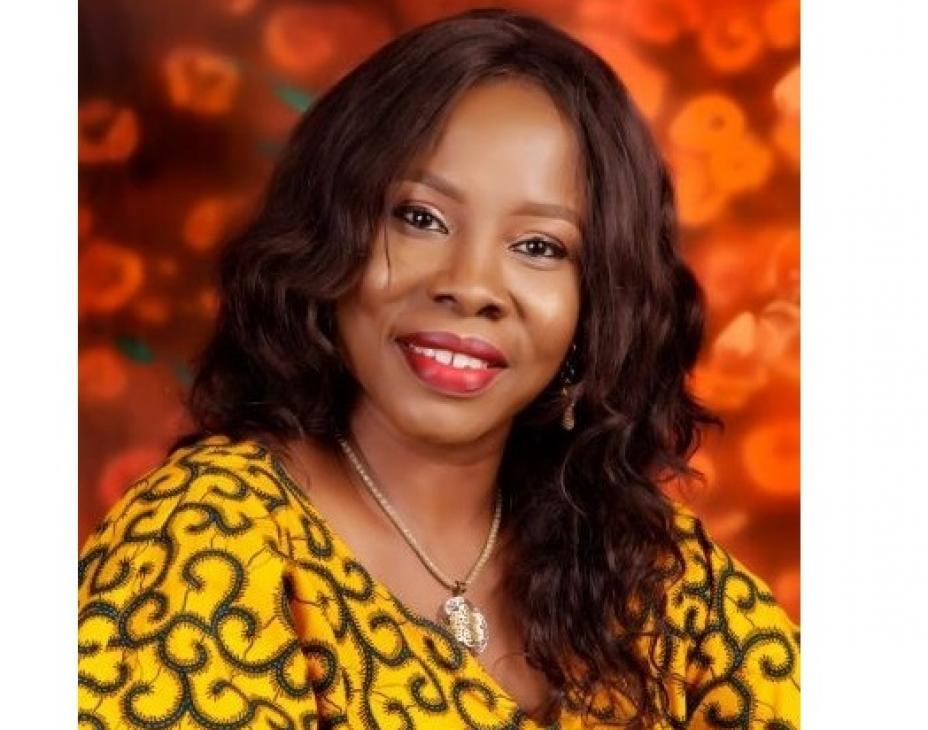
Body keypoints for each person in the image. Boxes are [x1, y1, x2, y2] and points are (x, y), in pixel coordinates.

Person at [77, 9, 799, 729]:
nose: (471, 284)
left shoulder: (648, 567)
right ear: (333, 237)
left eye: (541, 247)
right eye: (420, 218)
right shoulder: (210, 538)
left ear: (598, 303)